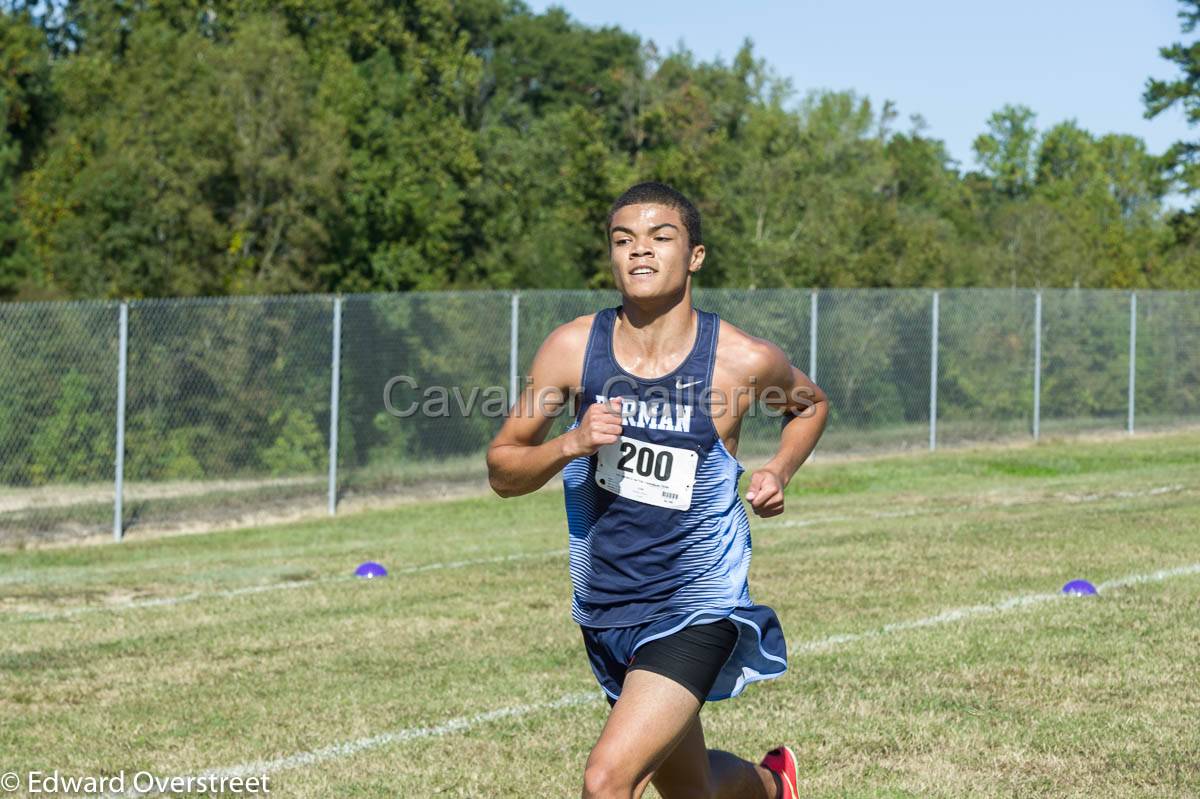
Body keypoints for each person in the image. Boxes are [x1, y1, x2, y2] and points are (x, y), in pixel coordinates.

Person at [487, 182, 828, 799]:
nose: (639, 252)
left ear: (694, 255)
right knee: (690, 791)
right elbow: (503, 468)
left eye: (659, 237)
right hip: (608, 602)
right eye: (623, 240)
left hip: (697, 602)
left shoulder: (740, 360)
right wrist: (569, 444)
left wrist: (778, 467)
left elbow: (809, 405)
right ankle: (774, 786)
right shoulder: (572, 349)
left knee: (607, 780)